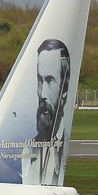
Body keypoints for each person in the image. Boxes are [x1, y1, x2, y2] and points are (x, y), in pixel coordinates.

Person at [21, 38, 70, 185]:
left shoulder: (65, 145)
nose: (42, 93)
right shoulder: (28, 150)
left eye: (49, 80)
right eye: (40, 80)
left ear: (65, 89)